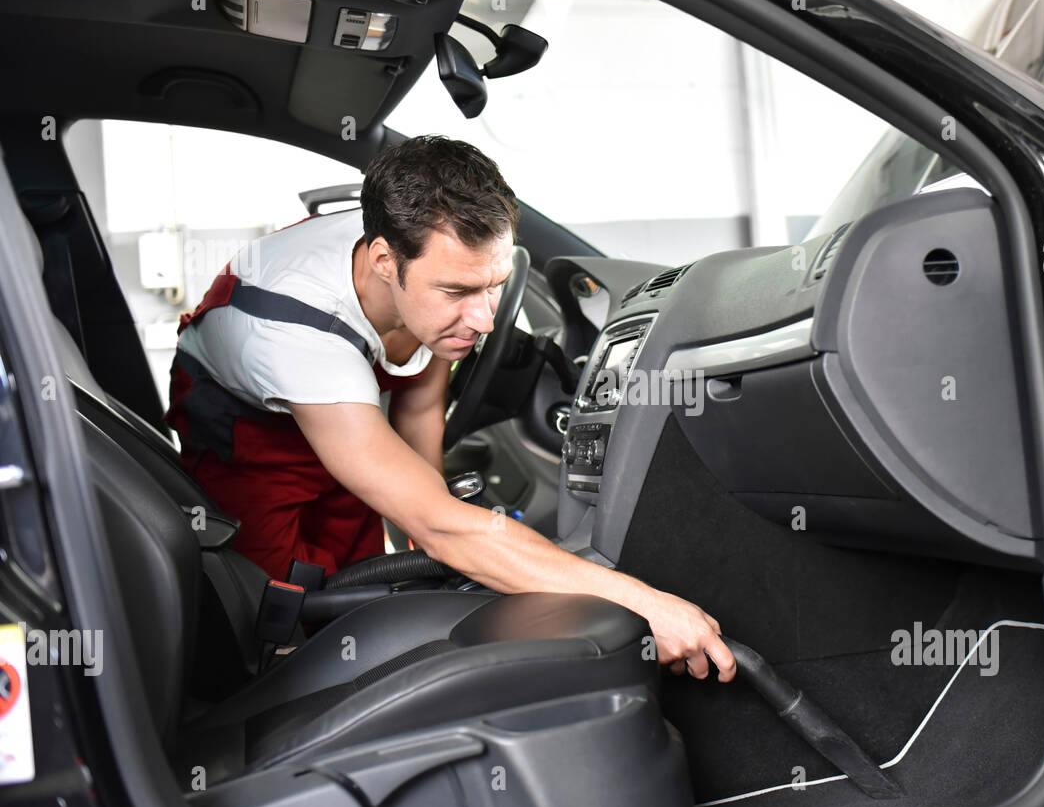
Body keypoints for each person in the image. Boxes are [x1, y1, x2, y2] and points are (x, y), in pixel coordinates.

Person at [165, 134, 735, 682]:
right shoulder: (296, 329)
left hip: (348, 410)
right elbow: (443, 527)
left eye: (496, 285)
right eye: (460, 293)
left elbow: (417, 405)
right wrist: (642, 605)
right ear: (385, 261)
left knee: (348, 598)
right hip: (248, 434)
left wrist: (421, 521)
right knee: (271, 614)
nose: (486, 321)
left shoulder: (426, 265)